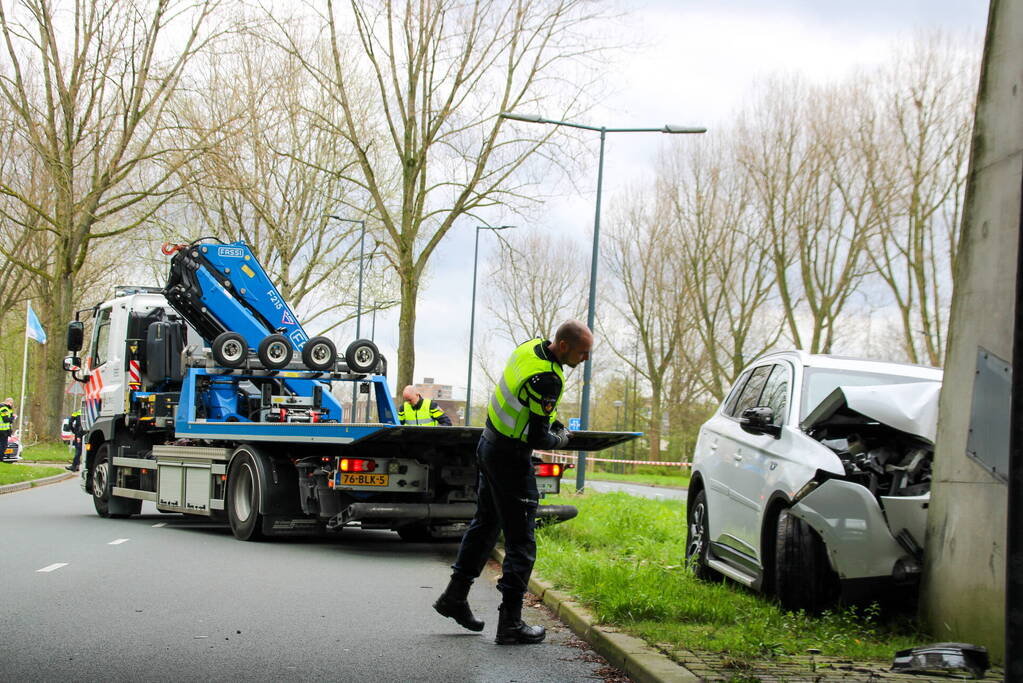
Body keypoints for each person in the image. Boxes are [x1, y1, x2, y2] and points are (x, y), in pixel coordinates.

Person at [434, 320, 592, 645]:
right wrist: (562, 439)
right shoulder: (547, 378)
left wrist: (553, 423)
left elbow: (525, 406)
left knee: (486, 525)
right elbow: (537, 437)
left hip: (489, 443)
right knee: (522, 542)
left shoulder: (529, 348)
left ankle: (454, 596)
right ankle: (510, 623)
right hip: (510, 458)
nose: (585, 359)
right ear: (564, 346)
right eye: (583, 353)